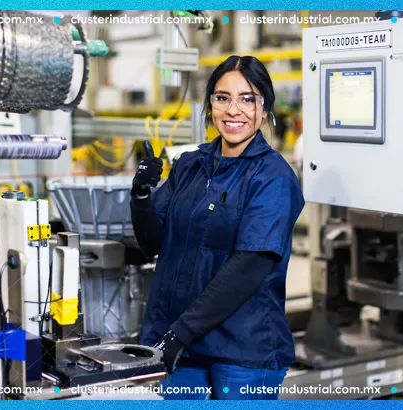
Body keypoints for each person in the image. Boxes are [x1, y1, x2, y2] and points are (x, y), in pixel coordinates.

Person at [130, 55, 305, 400]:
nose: (233, 110)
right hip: (182, 349)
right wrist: (140, 194)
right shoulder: (190, 165)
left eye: (247, 98)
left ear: (264, 106)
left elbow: (248, 268)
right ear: (210, 105)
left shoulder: (273, 178)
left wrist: (180, 333)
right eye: (223, 97)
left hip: (241, 352)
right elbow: (152, 243)